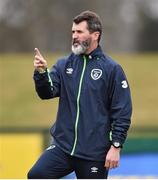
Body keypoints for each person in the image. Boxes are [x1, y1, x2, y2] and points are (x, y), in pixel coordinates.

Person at [28, 10, 132, 179]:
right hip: (64, 147)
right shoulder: (64, 64)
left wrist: (116, 146)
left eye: (79, 32)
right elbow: (47, 92)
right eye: (73, 32)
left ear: (95, 35)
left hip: (94, 154)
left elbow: (122, 111)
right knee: (37, 174)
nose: (74, 36)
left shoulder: (112, 69)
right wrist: (41, 73)